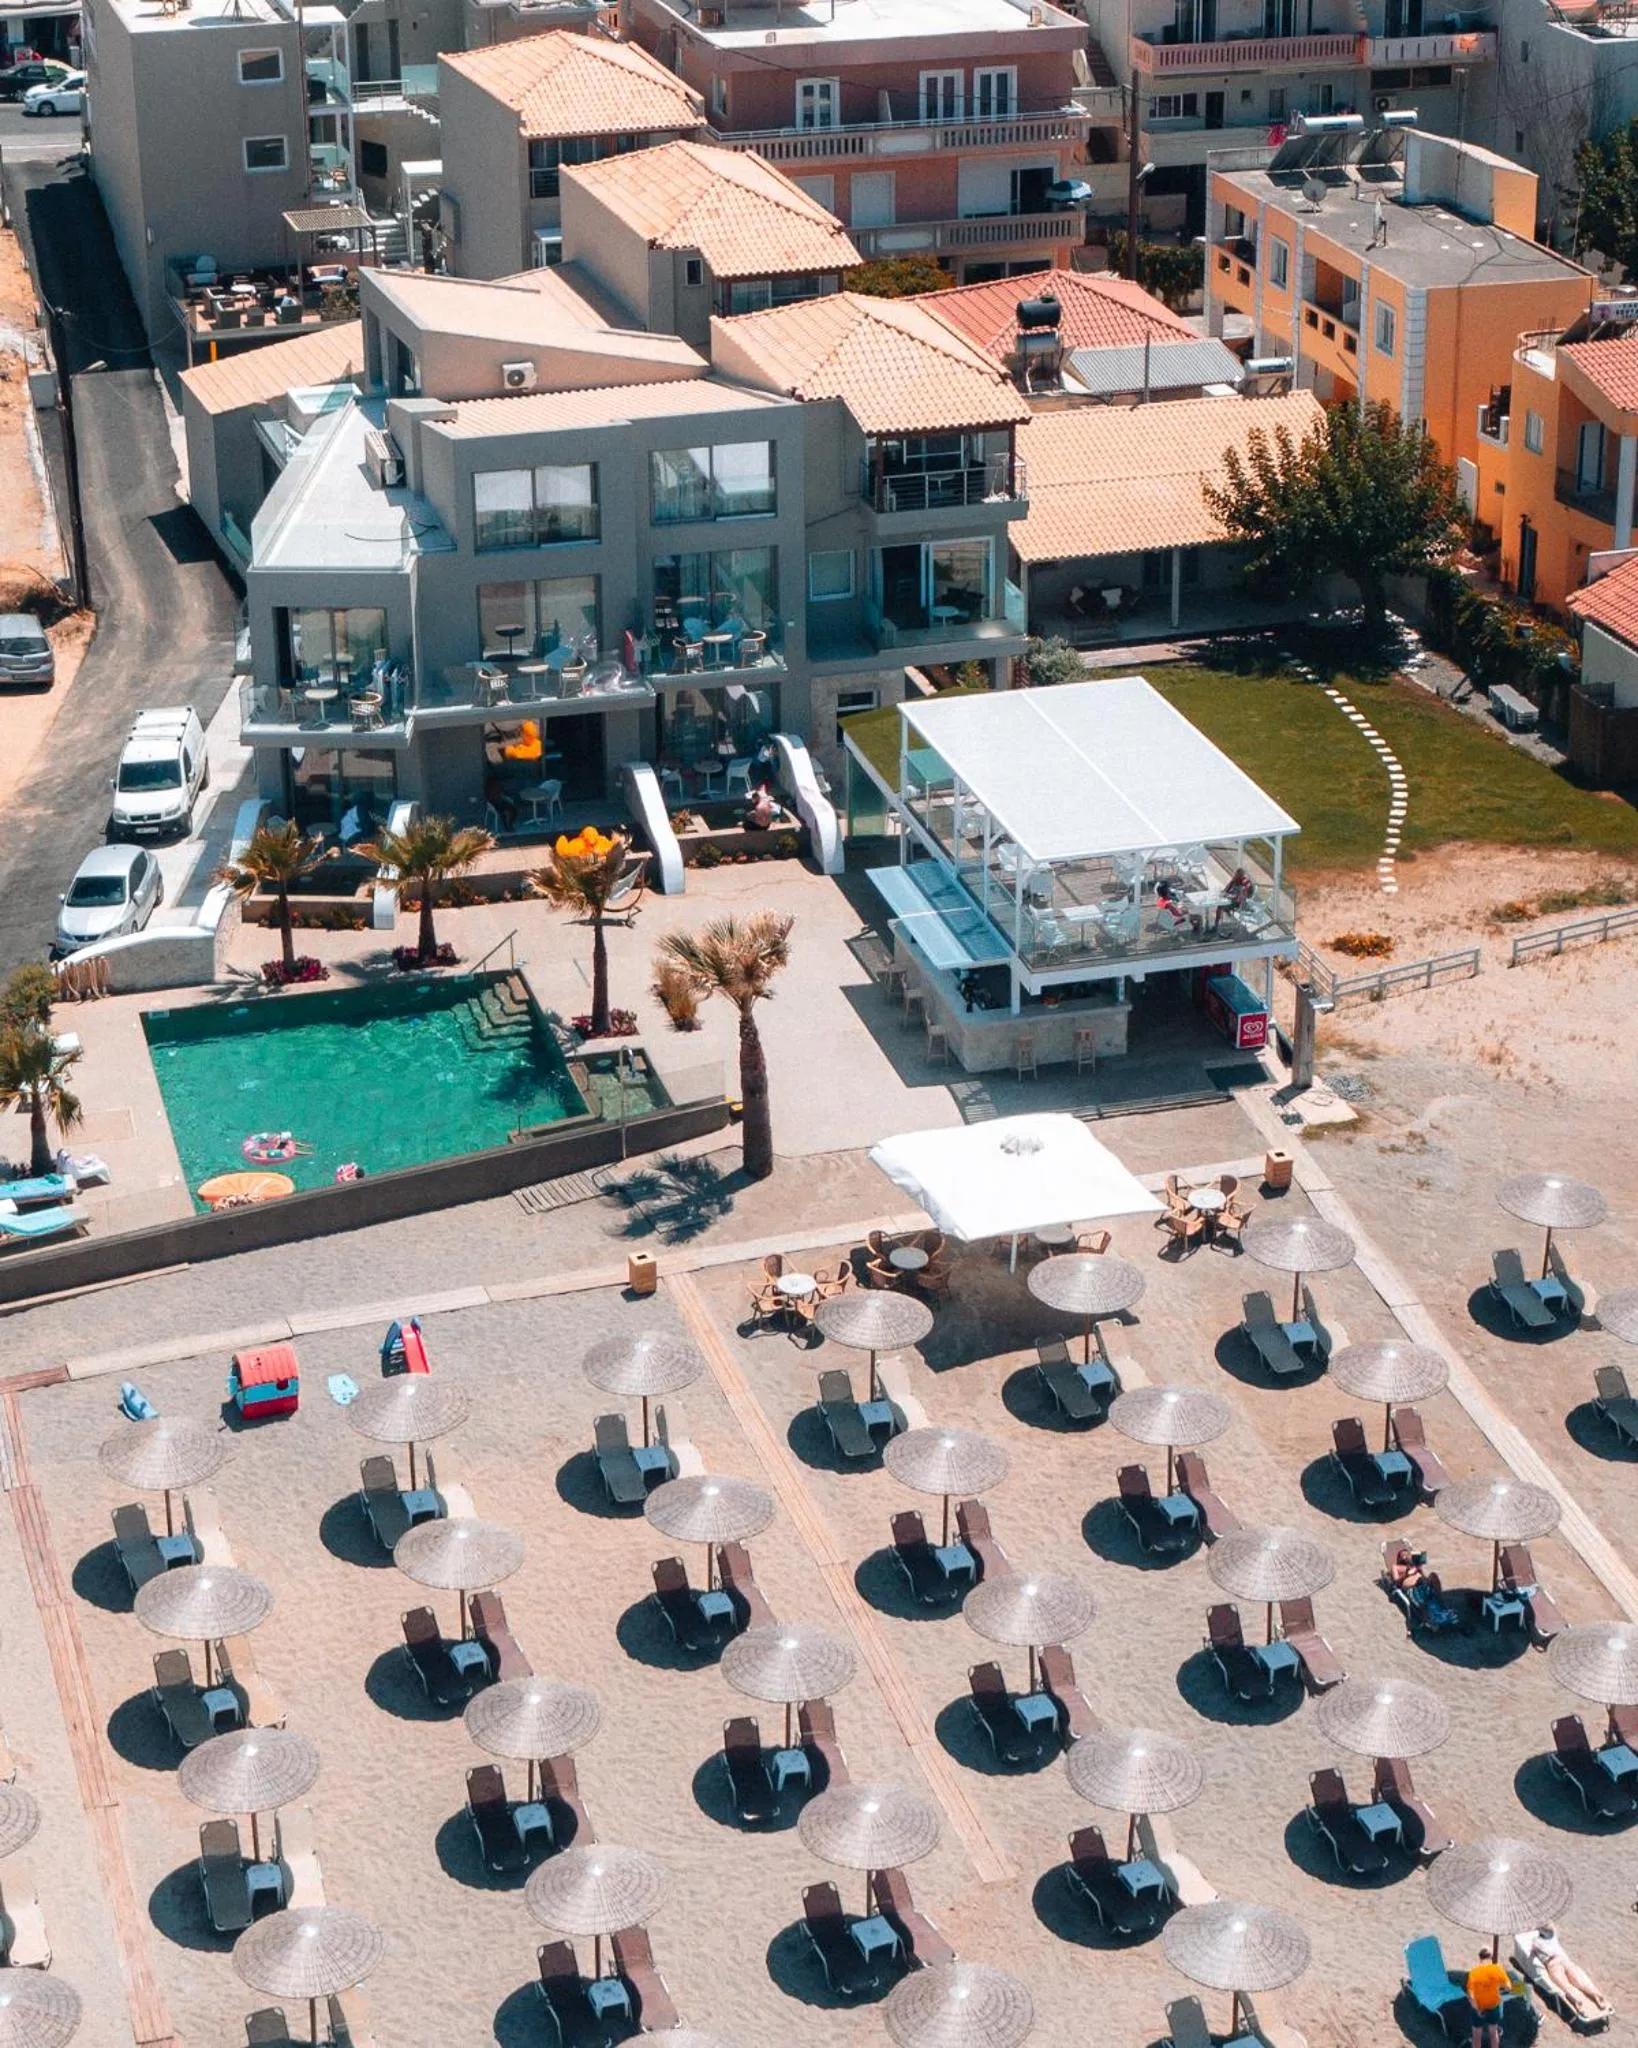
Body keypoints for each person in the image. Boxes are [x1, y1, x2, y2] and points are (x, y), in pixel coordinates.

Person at [1518, 1925, 1612, 2023]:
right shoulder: (1554, 1935)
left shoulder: (1536, 1941)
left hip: (1553, 1964)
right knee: (1580, 1982)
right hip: (1564, 1960)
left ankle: (1576, 2001)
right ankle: (1595, 1994)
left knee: (1565, 1986)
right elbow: (1551, 1925)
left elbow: (1530, 1951)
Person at [1388, 1545, 1461, 1629]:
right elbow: (1396, 1581)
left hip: (1423, 1583)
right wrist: (1406, 1573)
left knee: (1433, 1576)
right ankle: (1429, 1618)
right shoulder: (1396, 1567)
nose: (1404, 1556)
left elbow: (1423, 1573)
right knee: (1424, 1594)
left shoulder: (1415, 1566)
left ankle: (1441, 1604)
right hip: (1412, 1589)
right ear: (1399, 1559)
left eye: (1406, 1554)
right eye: (1402, 1555)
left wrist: (1418, 1568)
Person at [1465, 1951, 1512, 2048]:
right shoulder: (1497, 1969)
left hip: (1479, 2007)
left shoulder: (1474, 1972)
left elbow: (1471, 1996)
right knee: (1493, 2033)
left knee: (1476, 2036)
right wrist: (1498, 1985)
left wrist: (1477, 2009)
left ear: (1480, 1958)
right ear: (1491, 1957)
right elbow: (1509, 1987)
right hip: (1493, 2006)